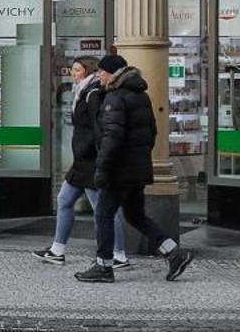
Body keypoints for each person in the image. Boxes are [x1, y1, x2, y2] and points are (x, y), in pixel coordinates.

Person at [77, 54, 194, 283]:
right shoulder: (140, 96)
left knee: (103, 214)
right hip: (136, 167)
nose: (98, 75)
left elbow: (112, 137)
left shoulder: (116, 98)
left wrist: (102, 168)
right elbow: (152, 134)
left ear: (112, 73)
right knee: (135, 215)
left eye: (101, 71)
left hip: (118, 169)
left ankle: (103, 266)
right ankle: (173, 252)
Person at [34, 57, 131, 269]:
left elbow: (98, 128)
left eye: (77, 70)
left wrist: (95, 154)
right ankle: (57, 250)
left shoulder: (94, 93)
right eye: (72, 69)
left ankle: (119, 254)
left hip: (91, 160)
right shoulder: (84, 90)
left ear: (89, 71)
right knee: (64, 200)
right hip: (82, 161)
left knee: (103, 209)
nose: (73, 73)